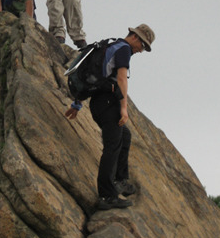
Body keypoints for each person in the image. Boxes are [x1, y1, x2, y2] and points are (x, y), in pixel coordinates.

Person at [65, 24, 155, 210]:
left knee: (125, 137)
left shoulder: (111, 44)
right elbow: (121, 79)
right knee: (112, 147)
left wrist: (77, 103)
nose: (141, 51)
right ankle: (107, 195)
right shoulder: (124, 49)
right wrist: (124, 108)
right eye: (142, 46)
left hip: (99, 103)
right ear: (135, 38)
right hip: (107, 103)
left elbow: (94, 75)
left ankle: (119, 180)